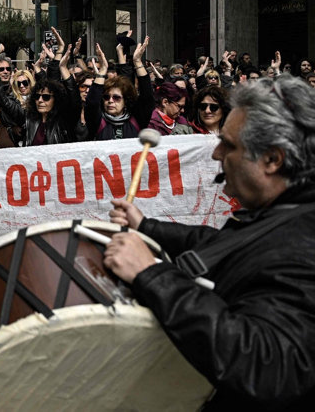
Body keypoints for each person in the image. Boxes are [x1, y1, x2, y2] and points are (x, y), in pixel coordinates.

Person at [105, 75, 315, 410]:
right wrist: (146, 225)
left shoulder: (304, 244)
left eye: (229, 145)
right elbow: (229, 245)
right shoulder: (287, 214)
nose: (217, 153)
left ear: (273, 160)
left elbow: (266, 364)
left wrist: (151, 273)